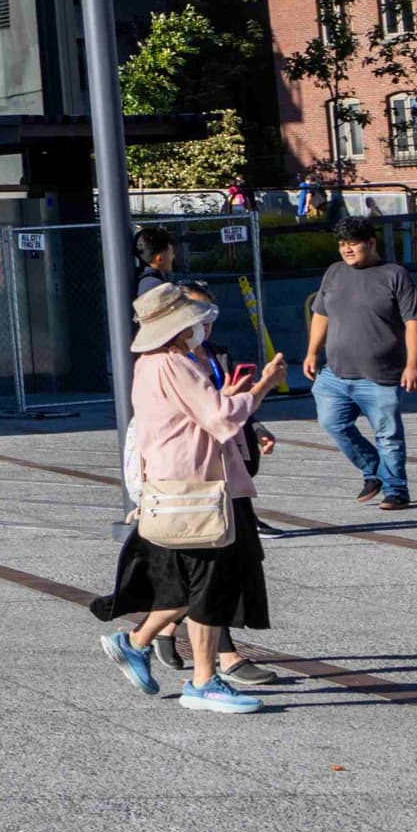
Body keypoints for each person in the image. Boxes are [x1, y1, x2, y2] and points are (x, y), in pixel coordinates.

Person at [91, 282, 278, 716]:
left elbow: (194, 415)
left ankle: (140, 645)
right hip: (198, 489)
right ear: (179, 329)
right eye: (194, 322)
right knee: (211, 585)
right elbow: (219, 420)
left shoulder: (149, 364)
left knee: (192, 584)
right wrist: (264, 387)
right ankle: (204, 681)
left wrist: (230, 396)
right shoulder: (176, 364)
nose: (200, 327)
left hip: (175, 488)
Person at [304, 220, 417, 512]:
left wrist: (413, 365)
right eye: (342, 244)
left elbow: (414, 322)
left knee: (388, 436)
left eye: (352, 243)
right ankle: (374, 469)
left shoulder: (395, 275)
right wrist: (311, 352)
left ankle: (396, 491)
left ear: (371, 242)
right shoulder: (334, 272)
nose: (346, 249)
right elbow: (321, 314)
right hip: (335, 374)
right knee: (333, 423)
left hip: (380, 376)